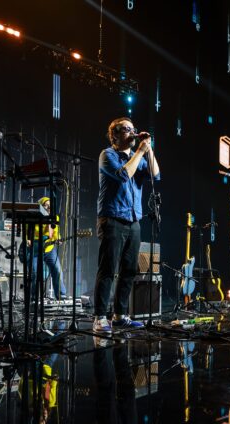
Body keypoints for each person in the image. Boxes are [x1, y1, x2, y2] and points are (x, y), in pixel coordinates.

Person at [93, 117, 160, 333]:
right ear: (114, 135)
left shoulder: (136, 157)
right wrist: (140, 151)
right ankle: (99, 318)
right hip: (112, 218)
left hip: (133, 220)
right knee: (107, 269)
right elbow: (123, 176)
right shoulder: (108, 155)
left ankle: (120, 316)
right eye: (126, 130)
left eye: (133, 129)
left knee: (130, 270)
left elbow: (156, 174)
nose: (132, 133)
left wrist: (148, 149)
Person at [27, 196, 67, 300]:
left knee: (57, 270)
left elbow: (55, 232)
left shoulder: (54, 217)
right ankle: (34, 296)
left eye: (50, 205)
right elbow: (27, 229)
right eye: (46, 205)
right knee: (35, 272)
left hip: (49, 248)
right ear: (40, 206)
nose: (49, 207)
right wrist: (28, 239)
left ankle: (61, 295)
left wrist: (58, 239)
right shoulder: (34, 216)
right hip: (36, 247)